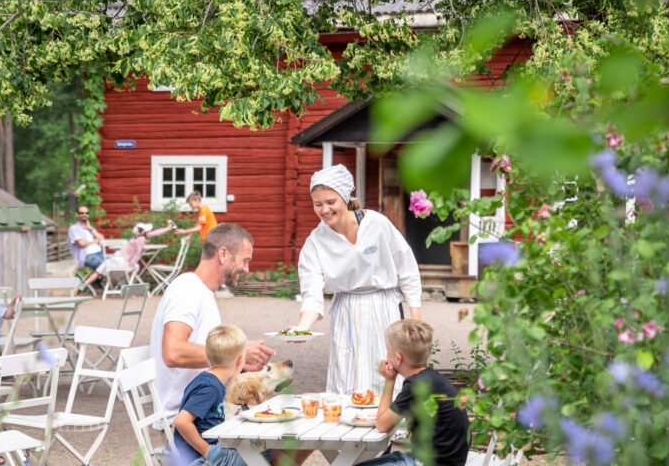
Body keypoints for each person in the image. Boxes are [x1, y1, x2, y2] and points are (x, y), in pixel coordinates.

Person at [287, 164, 422, 395]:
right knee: (347, 376)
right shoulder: (315, 243)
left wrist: (415, 322)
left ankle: (391, 427)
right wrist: (301, 328)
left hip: (384, 308)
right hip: (346, 311)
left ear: (345, 197)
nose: (325, 209)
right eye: (317, 204)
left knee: (387, 372)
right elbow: (311, 294)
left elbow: (407, 268)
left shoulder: (376, 224)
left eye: (331, 202)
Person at [150, 223, 275, 420]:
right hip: (183, 421)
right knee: (288, 437)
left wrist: (239, 365)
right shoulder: (187, 290)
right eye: (244, 260)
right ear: (223, 254)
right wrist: (237, 353)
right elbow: (173, 353)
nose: (246, 268)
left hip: (203, 409)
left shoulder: (203, 293)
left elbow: (208, 359)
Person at [364, 319, 469, 466]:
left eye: (388, 352)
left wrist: (389, 381)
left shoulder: (416, 385)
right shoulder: (432, 379)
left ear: (398, 358)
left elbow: (382, 425)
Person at [172, 324, 270, 465]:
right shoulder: (209, 387)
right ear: (239, 360)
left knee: (258, 447)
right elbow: (181, 421)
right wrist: (207, 451)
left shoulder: (212, 381)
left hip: (216, 449)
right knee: (261, 450)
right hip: (202, 458)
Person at [80, 222, 172, 291]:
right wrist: (132, 265)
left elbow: (153, 233)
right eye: (148, 231)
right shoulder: (142, 239)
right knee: (136, 267)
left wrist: (167, 228)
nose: (150, 232)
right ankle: (122, 281)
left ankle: (83, 285)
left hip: (116, 257)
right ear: (144, 232)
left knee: (99, 271)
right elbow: (137, 254)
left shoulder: (135, 237)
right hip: (123, 261)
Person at [68, 205, 106, 270]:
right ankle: (94, 280)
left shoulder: (91, 228)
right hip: (86, 256)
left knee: (115, 263)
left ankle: (97, 280)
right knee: (106, 266)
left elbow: (102, 239)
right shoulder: (74, 228)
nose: (84, 215)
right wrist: (94, 242)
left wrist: (90, 228)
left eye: (86, 213)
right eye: (81, 213)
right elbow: (81, 243)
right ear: (77, 215)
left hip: (100, 253)